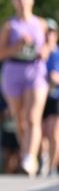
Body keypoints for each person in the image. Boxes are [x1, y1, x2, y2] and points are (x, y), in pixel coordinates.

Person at [0, 0, 48, 176]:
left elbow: (50, 46)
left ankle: (29, 158)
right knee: (20, 119)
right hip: (13, 71)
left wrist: (45, 51)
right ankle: (28, 153)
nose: (22, 1)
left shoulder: (41, 24)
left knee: (33, 117)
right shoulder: (9, 26)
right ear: (13, 2)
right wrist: (17, 45)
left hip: (35, 71)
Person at [41, 19, 59, 176]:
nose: (48, 36)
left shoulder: (57, 54)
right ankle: (43, 161)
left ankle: (52, 167)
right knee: (40, 133)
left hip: (54, 97)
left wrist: (54, 79)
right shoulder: (39, 53)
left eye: (51, 33)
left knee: (54, 133)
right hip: (39, 97)